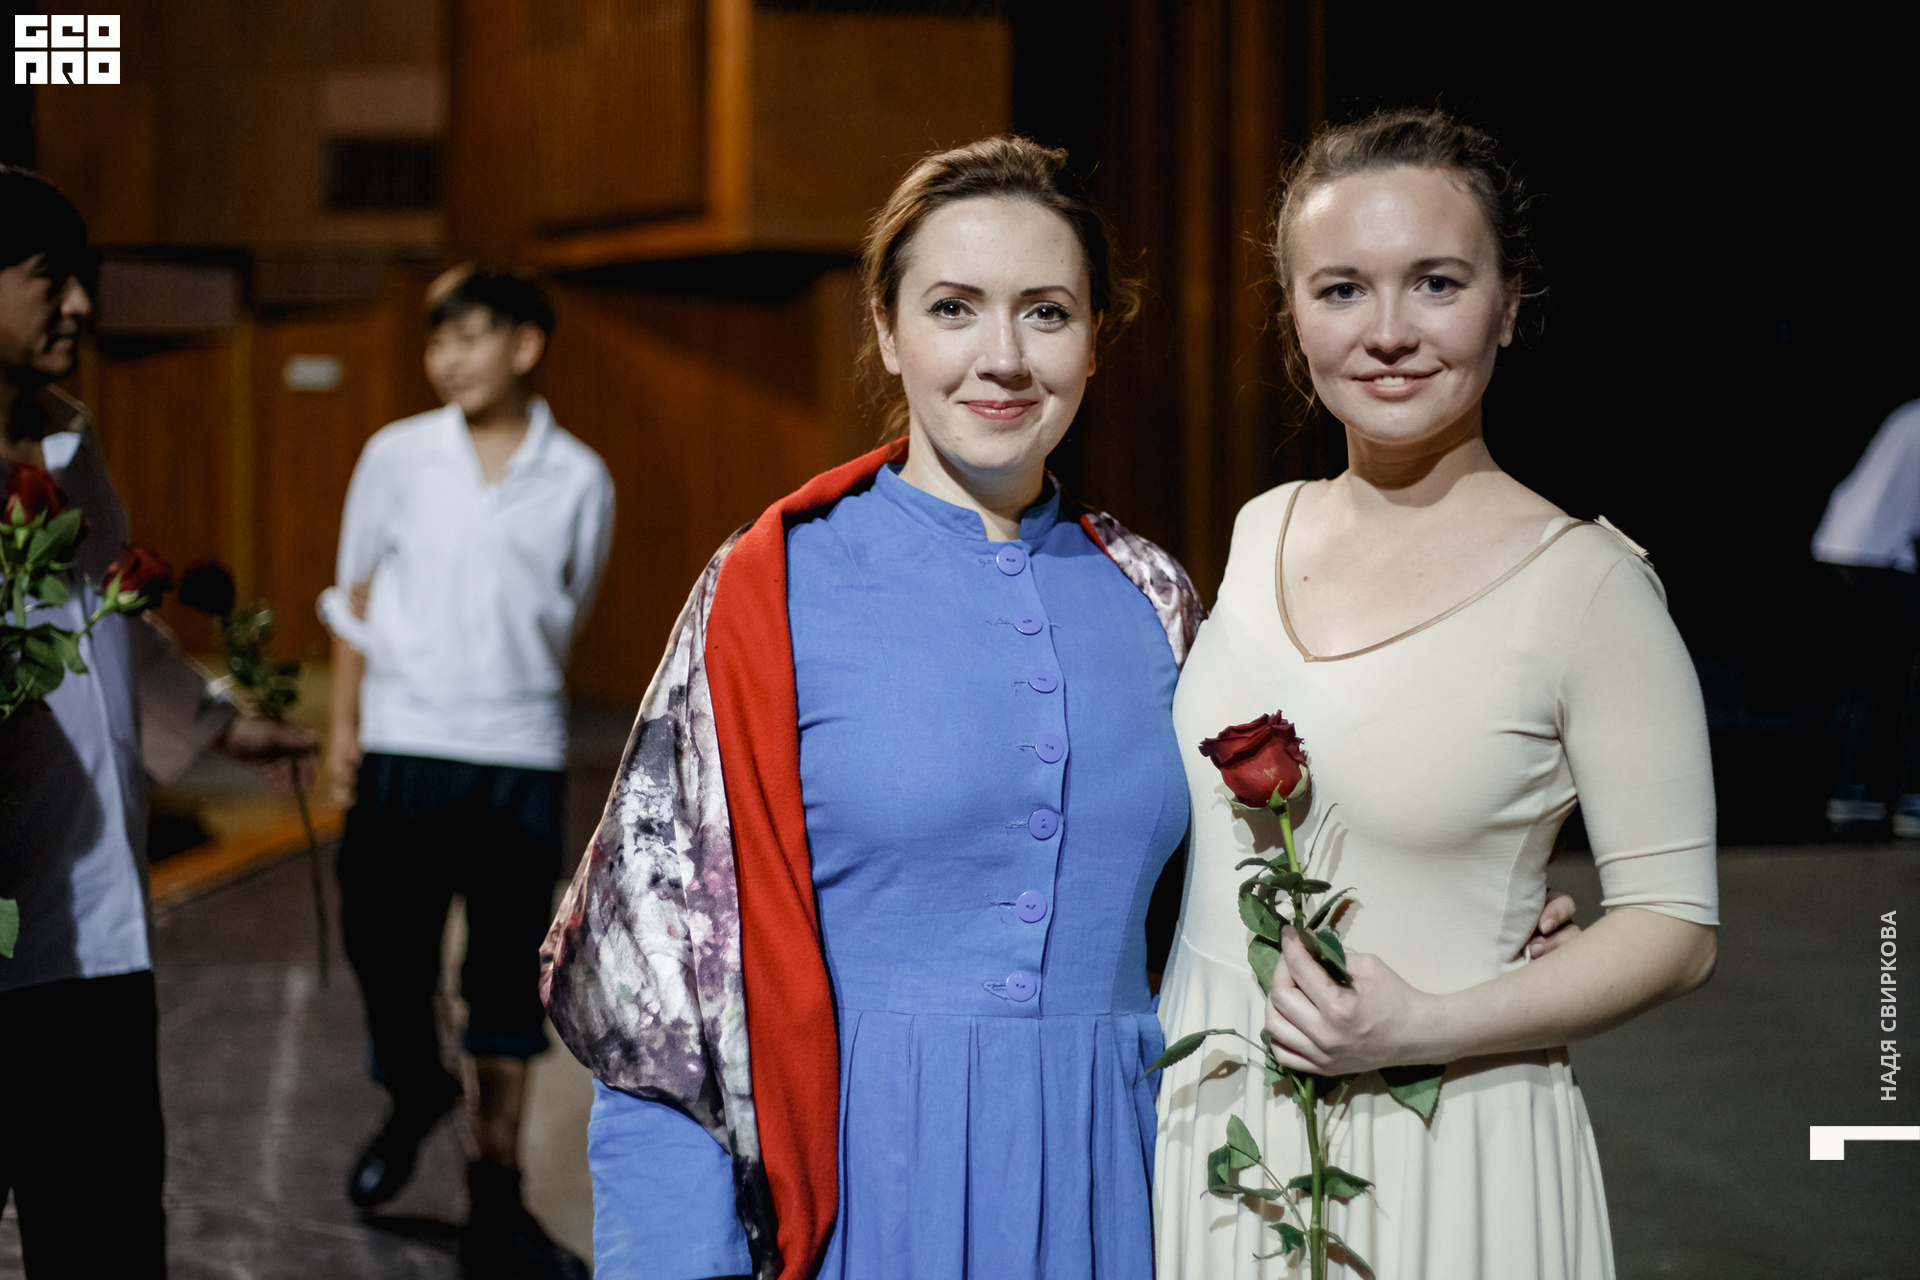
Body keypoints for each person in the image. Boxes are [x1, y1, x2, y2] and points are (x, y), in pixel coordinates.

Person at [541, 135, 1214, 1280]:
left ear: (1097, 338)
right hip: (860, 1179)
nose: (1003, 357)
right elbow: (663, 988)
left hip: (1116, 1178)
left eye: (1047, 313)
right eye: (954, 308)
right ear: (888, 329)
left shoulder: (1157, 597)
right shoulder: (769, 588)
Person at [1153, 110, 1720, 1279]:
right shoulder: (1261, 529)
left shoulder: (1590, 588)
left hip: (1449, 1135)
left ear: (1508, 304)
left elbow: (1676, 929)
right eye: (1342, 289)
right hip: (1222, 1138)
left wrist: (1423, 1023)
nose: (1390, 332)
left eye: (1438, 283)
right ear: (1293, 310)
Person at [0, 165, 312, 1277]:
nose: (81, 304)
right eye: (51, 279)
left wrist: (221, 725)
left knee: (108, 1238)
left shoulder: (68, 445)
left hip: (91, 937)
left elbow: (111, 630)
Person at [318, 264, 613, 1280]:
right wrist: (346, 726)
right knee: (384, 954)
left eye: (471, 336)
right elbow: (353, 593)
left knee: (503, 984)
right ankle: (415, 1087)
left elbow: (568, 606)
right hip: (402, 742)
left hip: (516, 754)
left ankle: (497, 1194)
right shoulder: (395, 455)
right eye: (437, 339)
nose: (447, 358)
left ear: (526, 345)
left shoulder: (580, 476)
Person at [1810, 400, 1920, 836]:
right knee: (1903, 674)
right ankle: (1911, 797)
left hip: (1838, 549)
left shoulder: (1909, 413)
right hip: (1880, 555)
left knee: (1874, 672)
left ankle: (1852, 789)